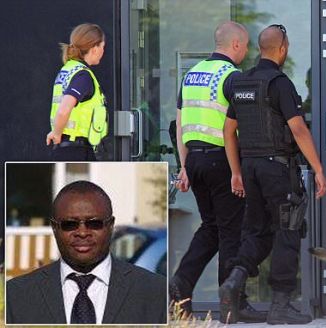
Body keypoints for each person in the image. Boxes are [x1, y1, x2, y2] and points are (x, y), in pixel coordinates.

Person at [221, 24, 326, 325]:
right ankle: (281, 304)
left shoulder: (241, 82)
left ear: (259, 48)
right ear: (282, 49)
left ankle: (235, 277)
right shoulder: (279, 83)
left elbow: (228, 131)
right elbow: (297, 128)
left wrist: (235, 172)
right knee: (287, 231)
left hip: (251, 167)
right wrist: (318, 169)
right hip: (278, 169)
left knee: (256, 231)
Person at [170, 21, 266, 323]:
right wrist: (238, 171)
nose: (248, 51)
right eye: (247, 45)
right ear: (236, 45)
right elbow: (234, 128)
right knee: (231, 232)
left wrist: (184, 166)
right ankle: (232, 303)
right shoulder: (232, 77)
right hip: (222, 161)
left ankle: (180, 286)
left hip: (196, 161)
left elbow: (180, 123)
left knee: (211, 227)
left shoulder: (192, 74)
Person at [6, 181, 166, 324]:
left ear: (111, 225)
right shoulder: (16, 295)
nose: (82, 233)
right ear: (54, 228)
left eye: (94, 224)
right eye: (69, 224)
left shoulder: (155, 291)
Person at [46, 23, 108, 161]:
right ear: (94, 48)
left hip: (66, 149)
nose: (103, 51)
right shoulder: (83, 76)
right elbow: (64, 109)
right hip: (76, 152)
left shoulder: (69, 69)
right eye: (102, 47)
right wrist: (56, 133)